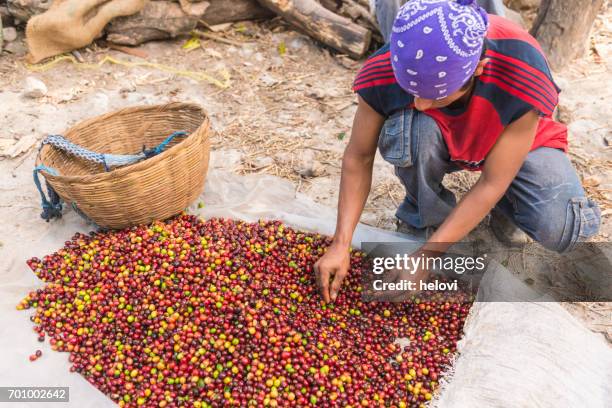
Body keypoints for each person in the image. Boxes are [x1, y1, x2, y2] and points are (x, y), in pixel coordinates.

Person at [314, 0, 601, 302]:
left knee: (561, 230)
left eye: (435, 96)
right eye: (412, 92)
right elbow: (358, 157)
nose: (421, 104)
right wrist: (340, 243)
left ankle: (506, 208)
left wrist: (427, 257)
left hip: (511, 136)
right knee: (414, 128)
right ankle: (425, 217)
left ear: (477, 70)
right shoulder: (390, 67)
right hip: (443, 136)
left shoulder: (522, 72)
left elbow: (492, 182)